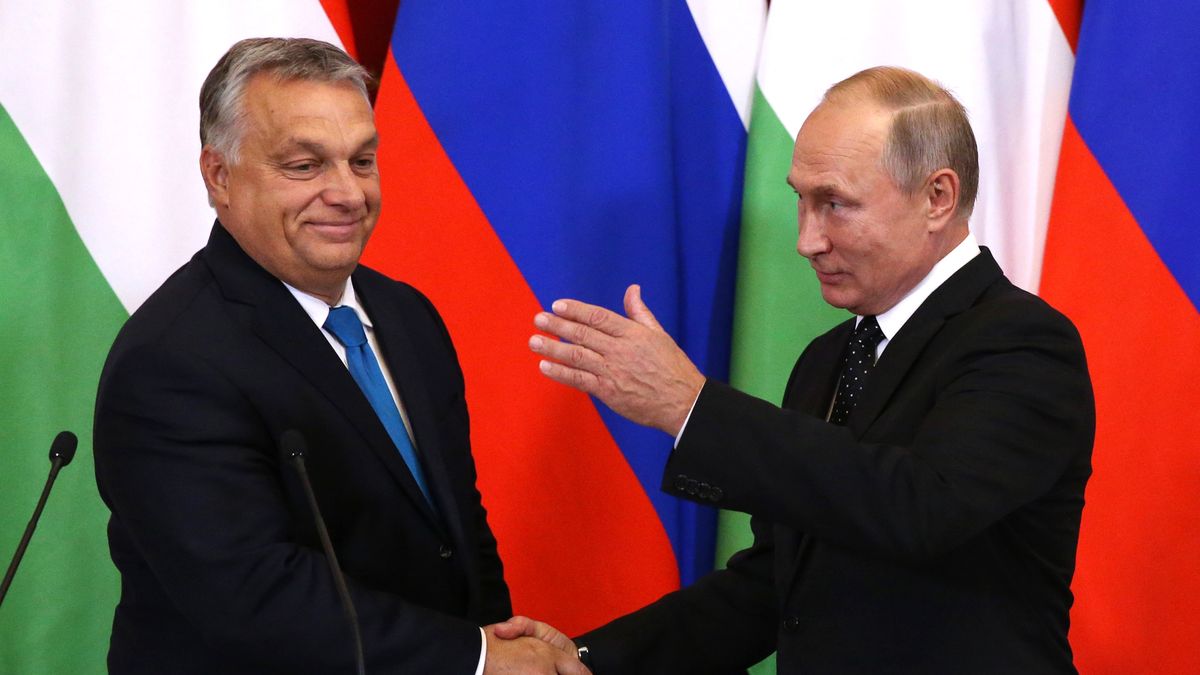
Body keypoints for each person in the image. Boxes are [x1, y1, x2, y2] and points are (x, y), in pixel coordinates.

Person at [515, 66, 1095, 673]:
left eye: (835, 204)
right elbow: (779, 586)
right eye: (801, 199)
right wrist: (585, 659)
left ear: (937, 197)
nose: (807, 240)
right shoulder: (827, 358)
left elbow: (922, 507)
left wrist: (691, 408)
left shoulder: (1022, 341)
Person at [93, 37, 586, 675]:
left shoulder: (408, 315)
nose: (349, 193)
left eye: (361, 160)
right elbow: (256, 599)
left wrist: (494, 638)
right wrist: (481, 659)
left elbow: (456, 529)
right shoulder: (170, 361)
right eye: (305, 166)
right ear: (218, 175)